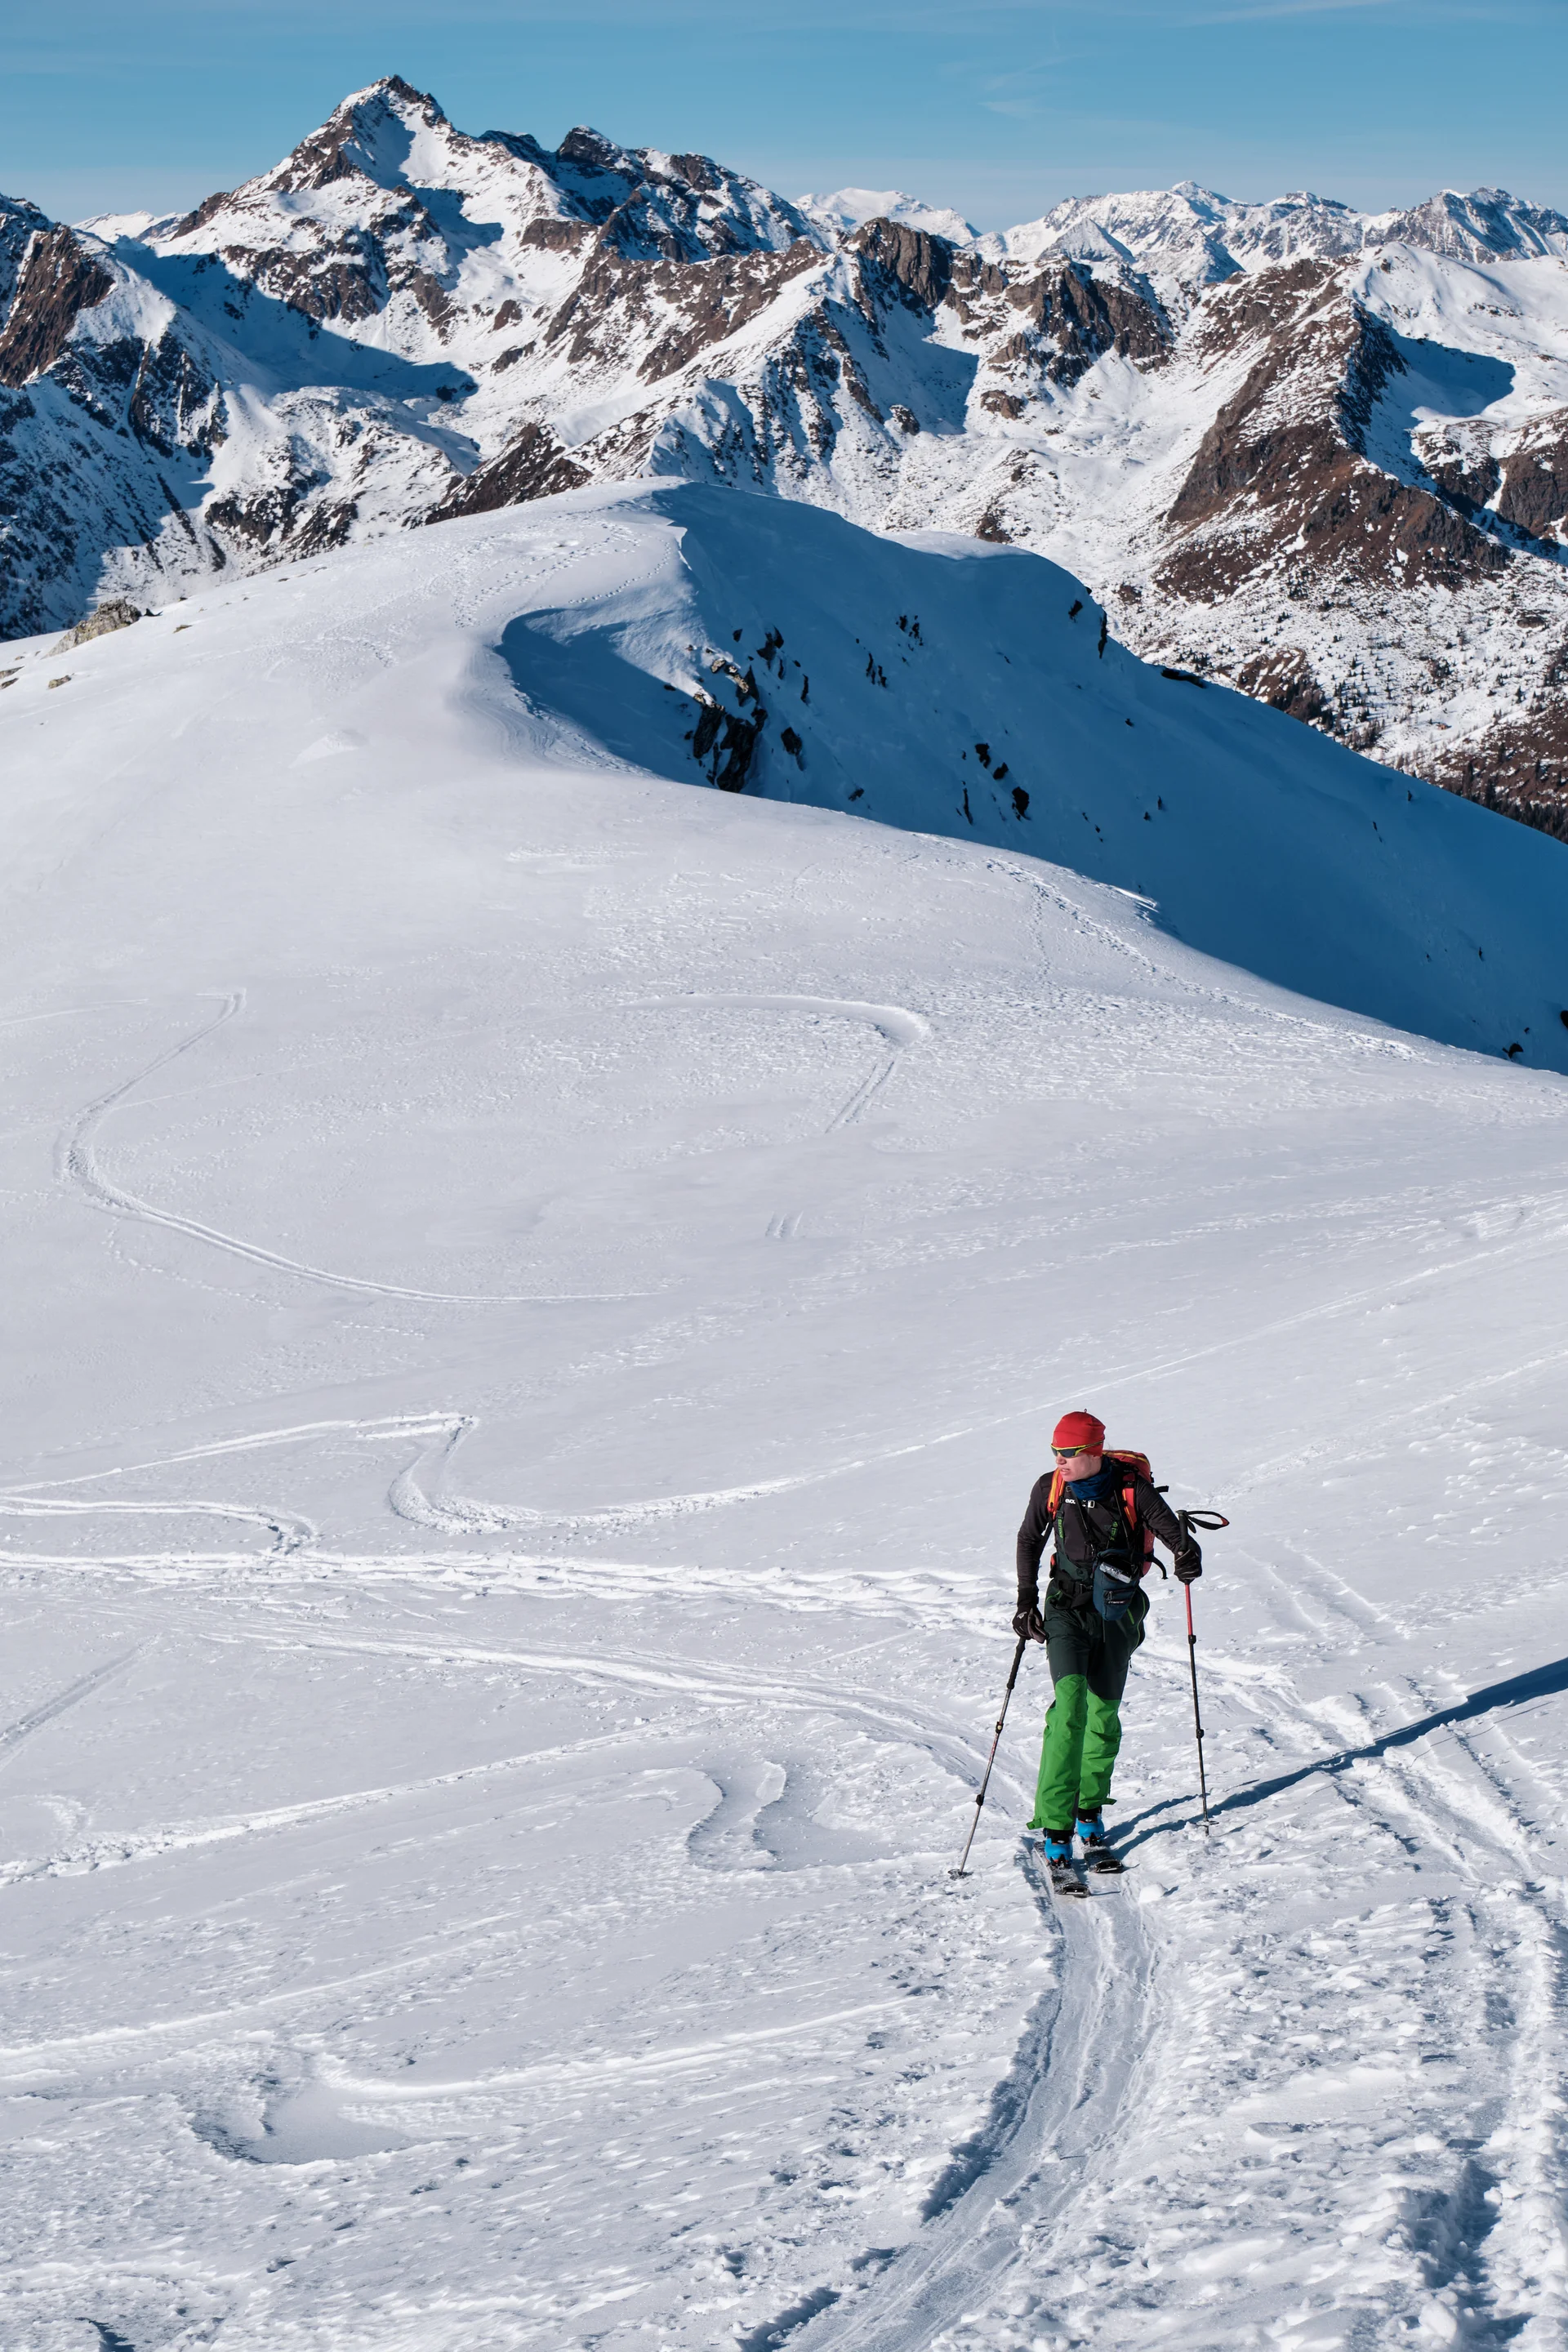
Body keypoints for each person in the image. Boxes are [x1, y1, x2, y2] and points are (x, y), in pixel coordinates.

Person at [1013, 1410, 1200, 1874]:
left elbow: (1174, 1536)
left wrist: (1187, 1555)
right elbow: (1028, 1539)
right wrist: (1025, 1600)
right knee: (1069, 1708)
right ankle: (1056, 1829)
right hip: (1065, 1610)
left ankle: (1089, 1812)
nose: (1060, 1460)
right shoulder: (1050, 1488)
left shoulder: (1131, 1489)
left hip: (1116, 1615)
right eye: (1054, 1452)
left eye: (1069, 1453)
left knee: (1103, 1717)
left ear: (1094, 1452)